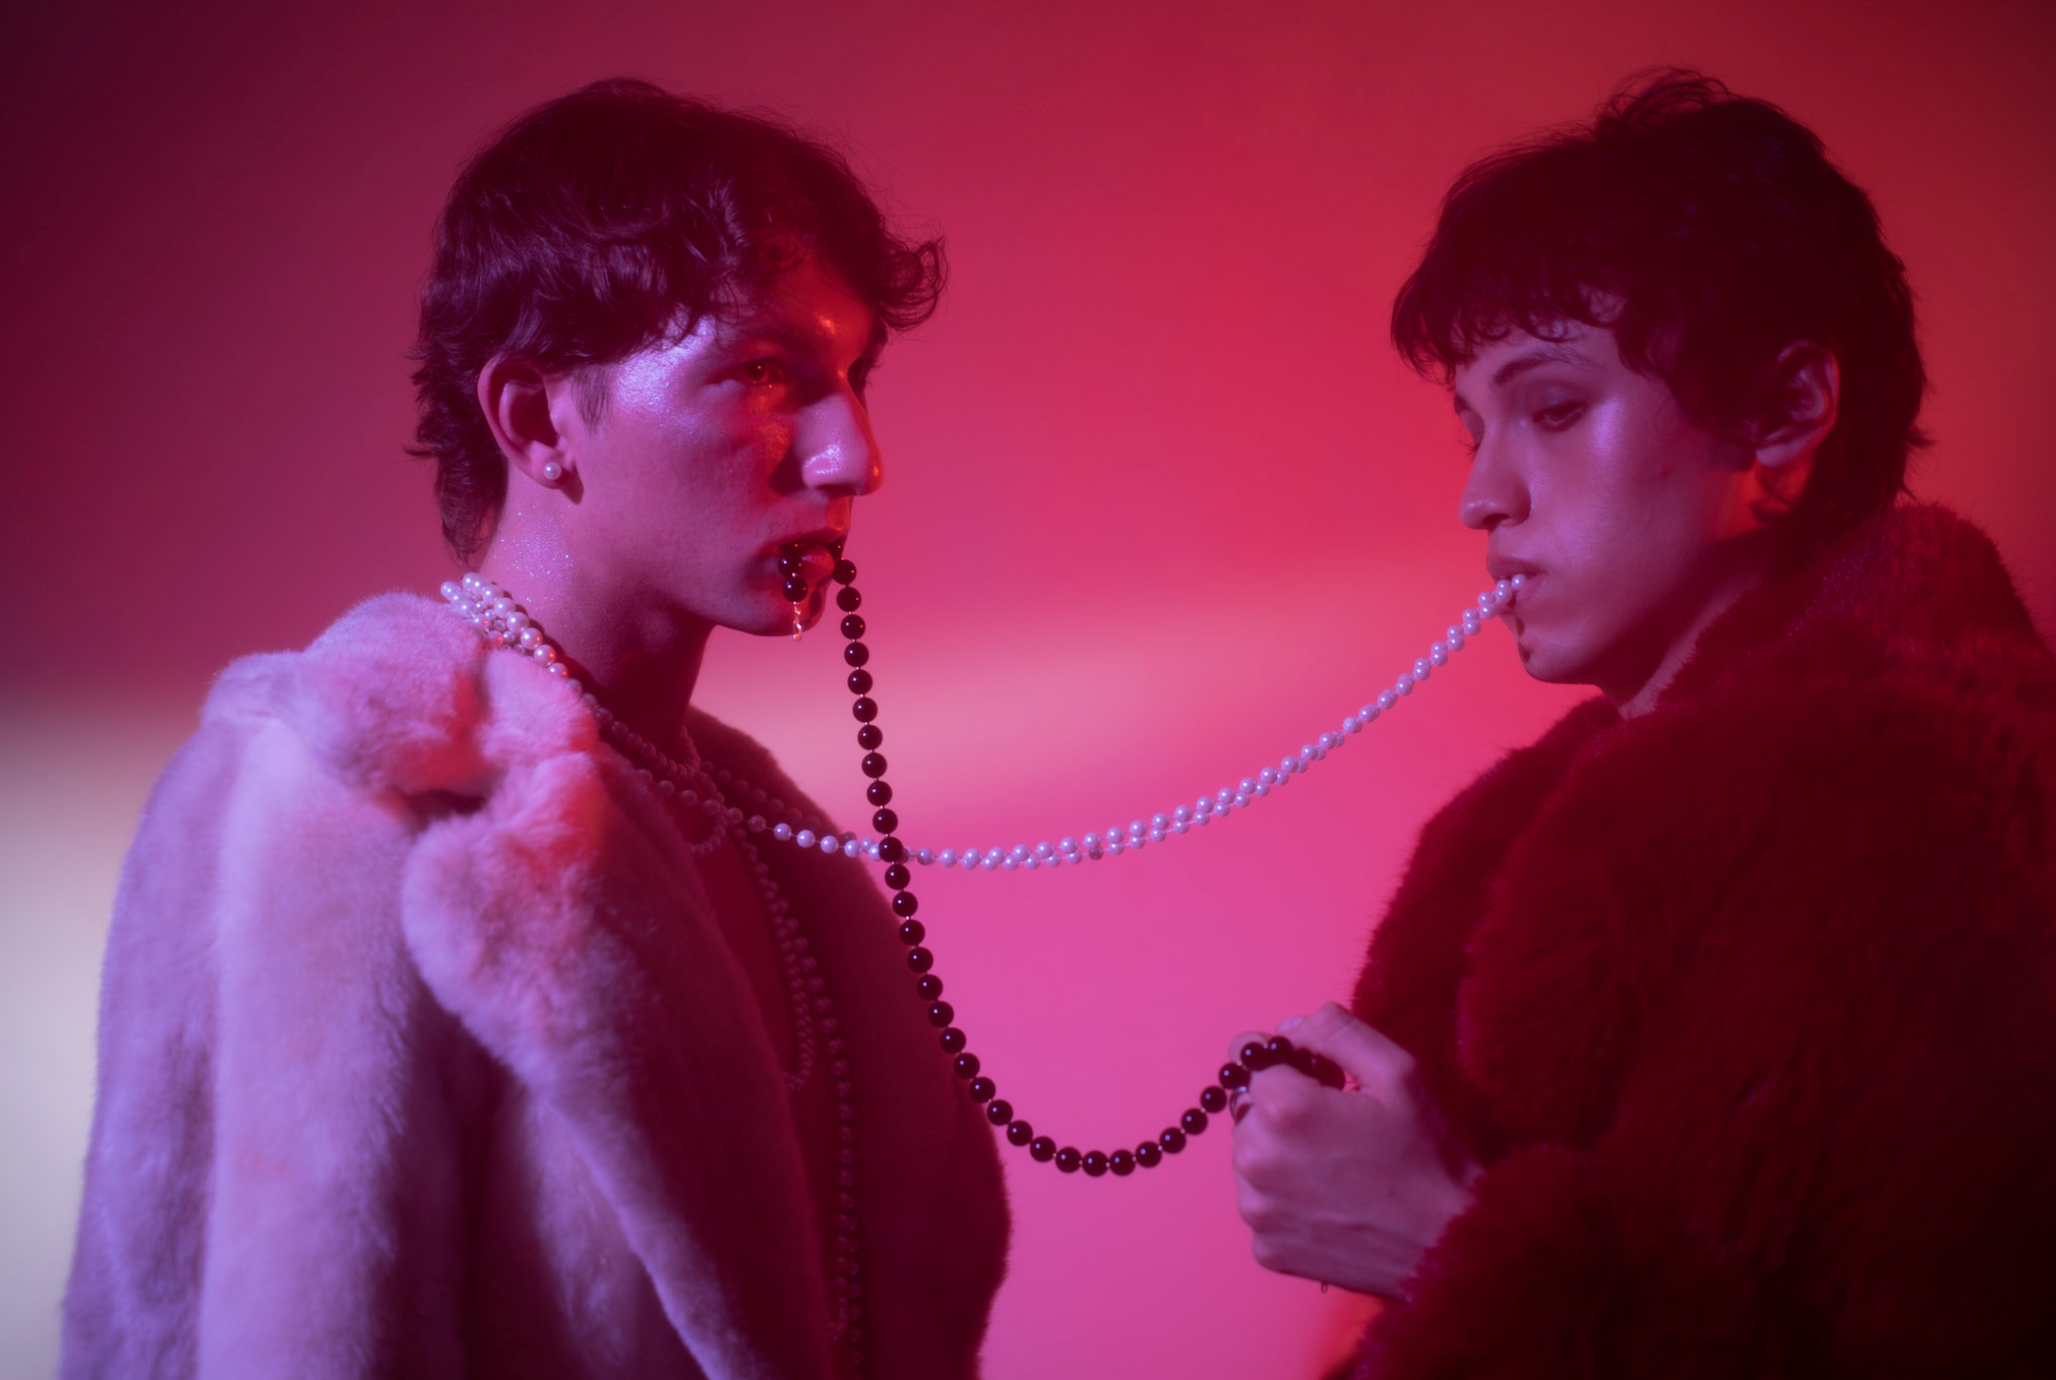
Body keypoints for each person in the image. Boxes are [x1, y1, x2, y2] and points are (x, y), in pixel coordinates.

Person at [62, 79, 1007, 1379]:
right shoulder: (333, 801)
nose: (855, 458)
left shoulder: (769, 839)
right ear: (536, 418)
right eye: (764, 372)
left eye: (853, 379)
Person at [1228, 72, 2056, 1375]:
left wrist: (1446, 1247)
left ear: (1784, 415)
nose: (1481, 496)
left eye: (1554, 408)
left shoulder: (1944, 825)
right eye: (1473, 426)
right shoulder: (1514, 852)